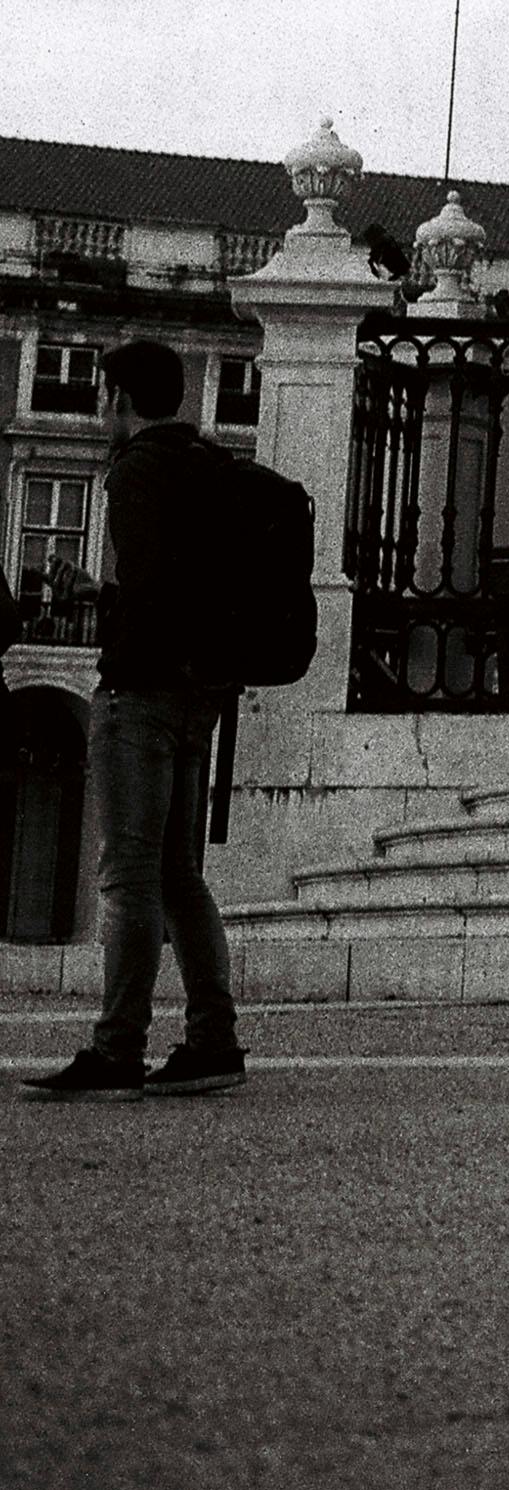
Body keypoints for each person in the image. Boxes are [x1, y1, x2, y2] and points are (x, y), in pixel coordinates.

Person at [25, 340, 245, 1099]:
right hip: (199, 697)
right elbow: (188, 593)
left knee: (127, 877)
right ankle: (214, 1040)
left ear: (121, 399)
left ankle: (118, 1048)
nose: (100, 410)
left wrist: (115, 617)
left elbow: (153, 592)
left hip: (141, 694)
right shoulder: (213, 467)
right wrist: (101, 595)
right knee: (183, 876)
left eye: (104, 396)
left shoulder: (137, 471)